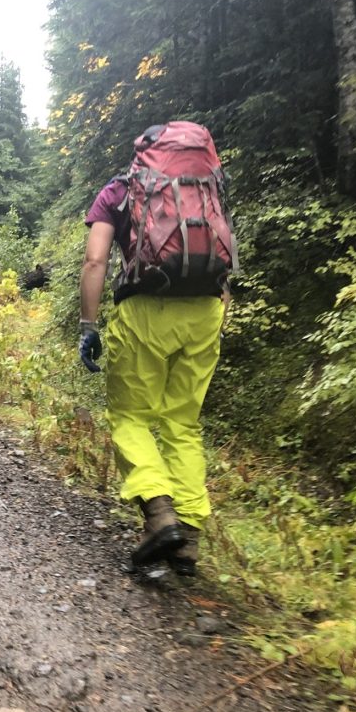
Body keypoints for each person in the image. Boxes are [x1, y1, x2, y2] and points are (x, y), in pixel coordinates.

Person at [79, 123, 232, 576]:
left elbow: (95, 261)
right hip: (206, 309)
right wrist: (218, 316)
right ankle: (189, 539)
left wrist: (88, 325)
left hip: (147, 309)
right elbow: (219, 252)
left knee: (131, 416)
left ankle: (161, 515)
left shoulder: (120, 191)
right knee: (182, 423)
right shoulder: (207, 188)